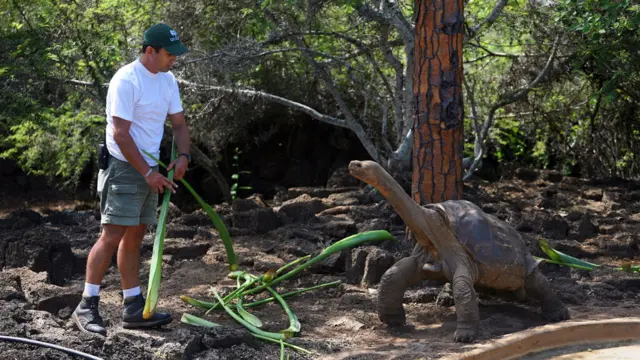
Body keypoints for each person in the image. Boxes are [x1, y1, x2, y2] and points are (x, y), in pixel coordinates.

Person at [72, 23, 192, 336]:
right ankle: (87, 304)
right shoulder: (126, 79)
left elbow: (178, 125)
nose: (173, 60)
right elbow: (120, 134)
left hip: (151, 168)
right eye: (169, 54)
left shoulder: (167, 81)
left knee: (135, 236)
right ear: (149, 51)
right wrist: (147, 173)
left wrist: (183, 157)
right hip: (125, 167)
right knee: (111, 234)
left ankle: (132, 306)